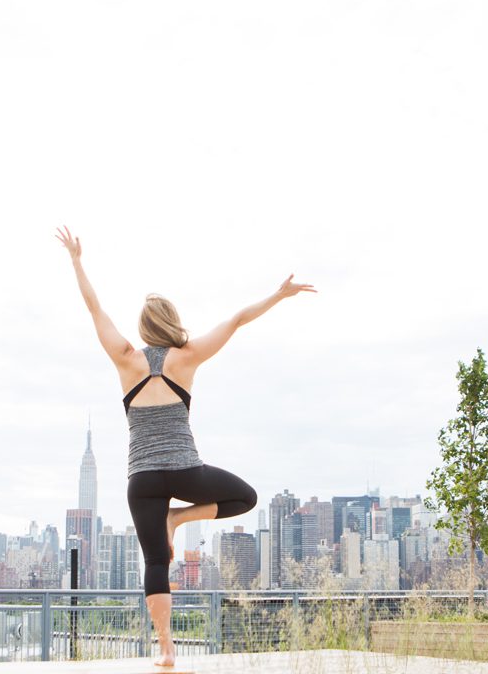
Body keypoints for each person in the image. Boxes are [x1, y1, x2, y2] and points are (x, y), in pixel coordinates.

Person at [55, 225, 315, 667]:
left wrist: (76, 260)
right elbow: (235, 320)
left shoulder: (125, 358)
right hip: (184, 470)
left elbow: (93, 306)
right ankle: (182, 516)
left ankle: (166, 650)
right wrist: (278, 295)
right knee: (245, 497)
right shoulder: (187, 356)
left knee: (156, 562)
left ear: (143, 326)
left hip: (142, 480)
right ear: (171, 321)